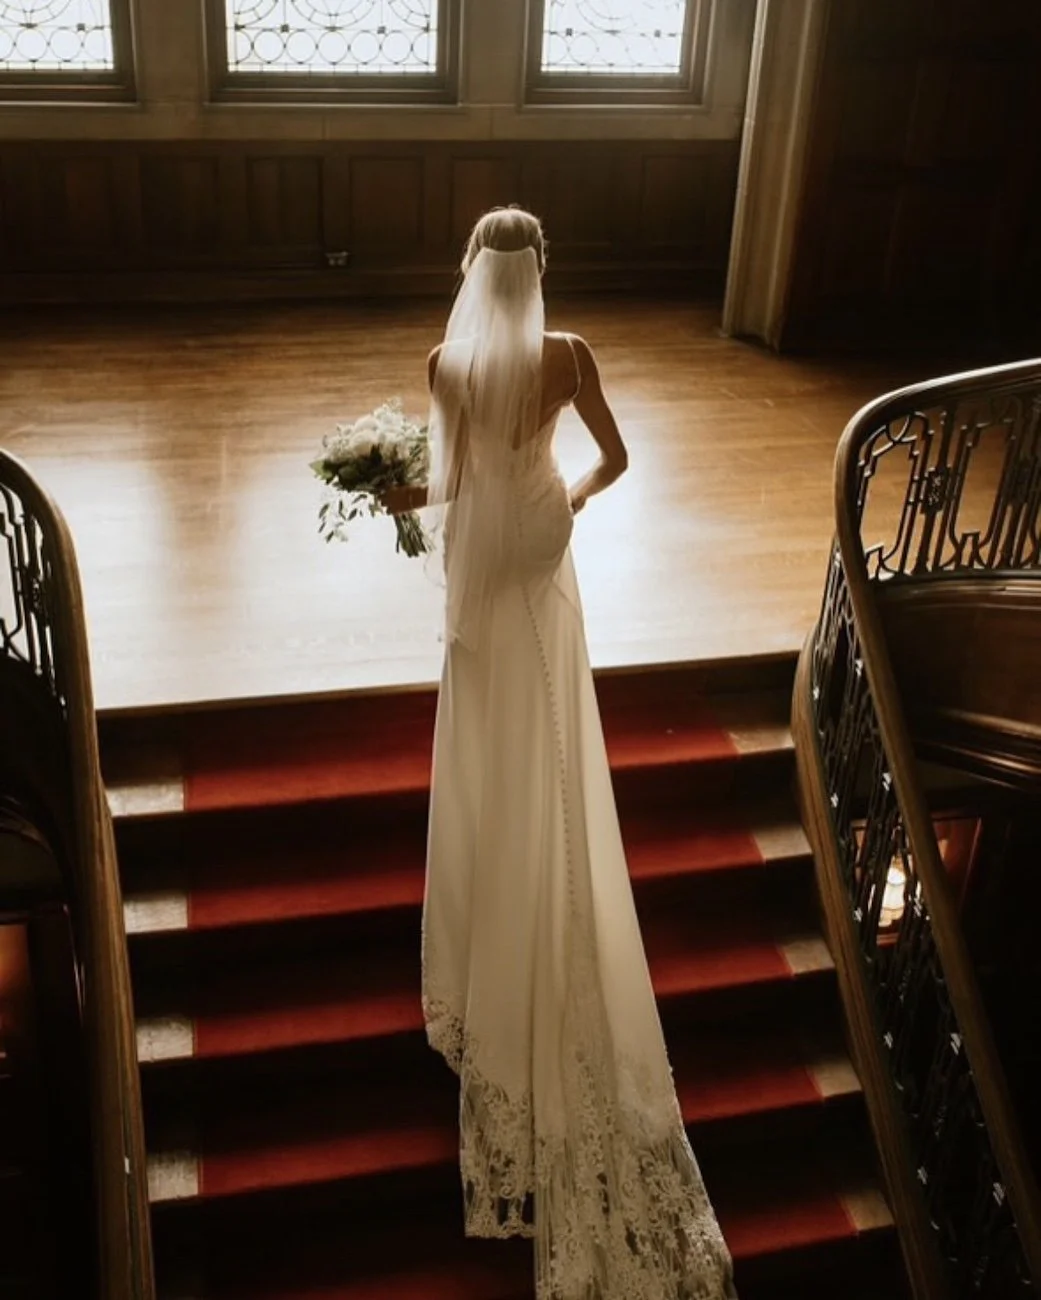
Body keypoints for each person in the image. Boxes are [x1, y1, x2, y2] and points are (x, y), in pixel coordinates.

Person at [384, 206, 735, 1300]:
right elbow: (616, 461)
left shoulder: (447, 365)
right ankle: (553, 863)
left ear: (470, 276)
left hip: (487, 573)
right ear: (541, 274)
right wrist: (567, 495)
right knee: (554, 729)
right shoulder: (573, 357)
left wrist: (399, 499)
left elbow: (448, 487)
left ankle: (497, 884)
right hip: (545, 554)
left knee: (489, 738)